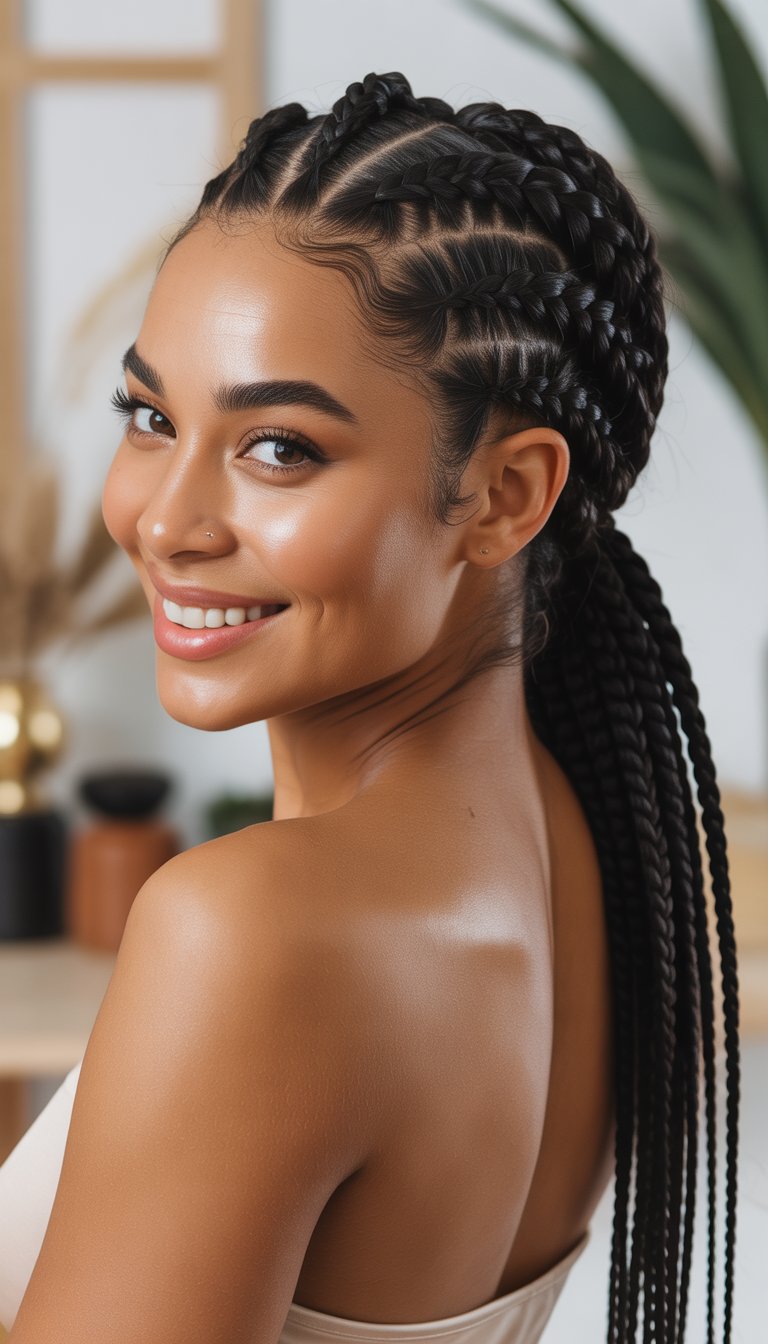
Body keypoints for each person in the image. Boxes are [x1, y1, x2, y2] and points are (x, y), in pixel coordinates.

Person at [0, 71, 739, 1344]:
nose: (165, 520)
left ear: (508, 495)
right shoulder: (598, 849)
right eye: (149, 416)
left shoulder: (253, 932)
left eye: (279, 446)